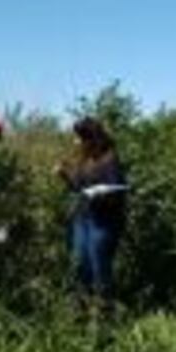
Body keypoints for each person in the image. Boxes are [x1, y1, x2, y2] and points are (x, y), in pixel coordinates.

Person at [55, 117, 127, 312]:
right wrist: (65, 176)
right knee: (79, 266)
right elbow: (78, 189)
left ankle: (105, 312)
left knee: (99, 268)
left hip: (103, 222)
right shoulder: (84, 160)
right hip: (82, 219)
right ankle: (81, 310)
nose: (75, 142)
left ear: (91, 139)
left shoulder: (110, 160)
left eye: (79, 138)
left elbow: (118, 192)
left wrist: (97, 195)